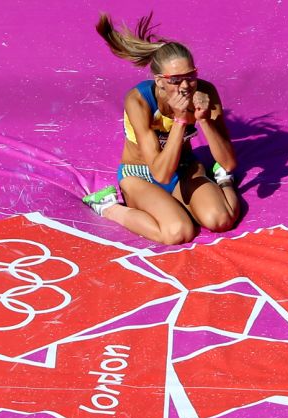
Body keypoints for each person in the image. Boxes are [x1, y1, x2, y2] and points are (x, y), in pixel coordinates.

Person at [83, 12, 240, 245]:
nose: (185, 86)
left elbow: (228, 162)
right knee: (178, 232)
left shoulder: (205, 92)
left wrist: (205, 119)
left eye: (191, 76)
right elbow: (160, 173)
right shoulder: (138, 100)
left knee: (220, 220)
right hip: (141, 175)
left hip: (185, 167)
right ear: (159, 81)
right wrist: (180, 121)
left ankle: (222, 181)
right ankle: (108, 207)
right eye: (175, 80)